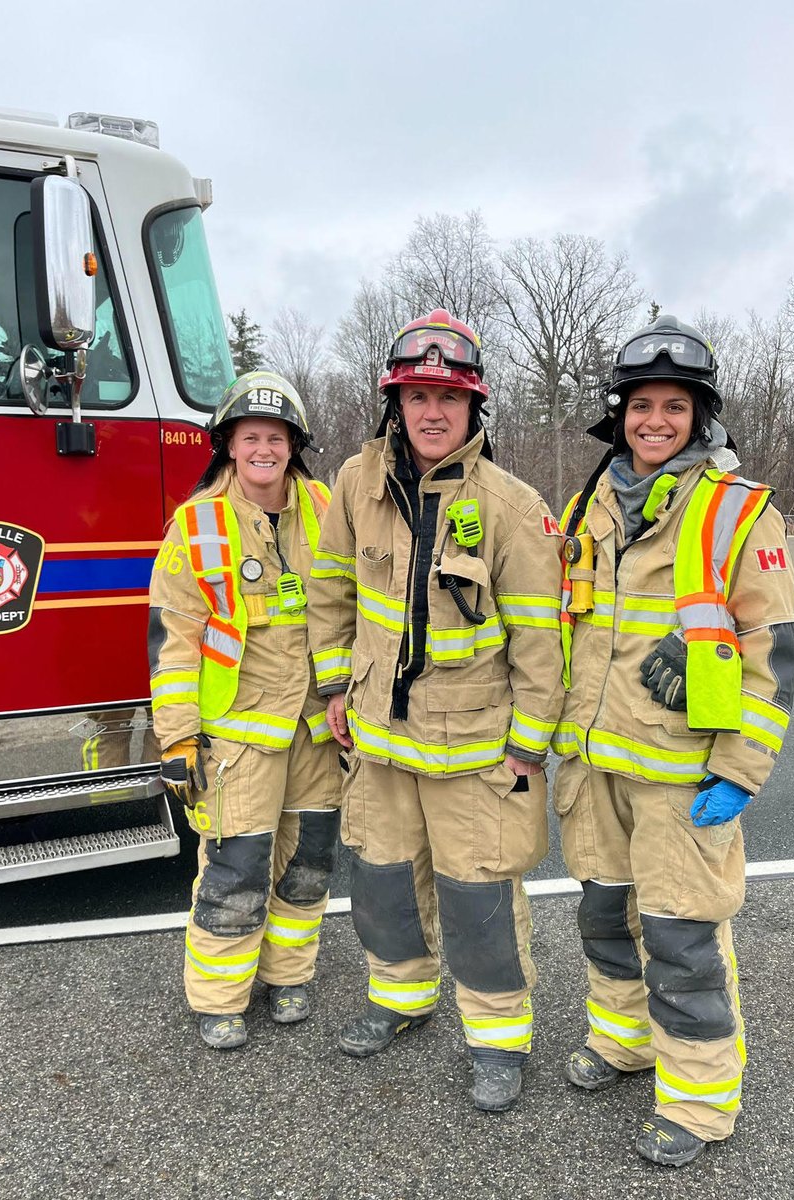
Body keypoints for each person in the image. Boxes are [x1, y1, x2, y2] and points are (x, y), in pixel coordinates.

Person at [552, 315, 794, 1166]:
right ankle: (625, 1042)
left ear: (702, 416)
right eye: (641, 405)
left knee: (684, 939)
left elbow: (772, 658)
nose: (655, 421)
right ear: (619, 412)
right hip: (595, 769)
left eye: (675, 407)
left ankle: (697, 1101)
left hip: (682, 780)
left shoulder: (738, 512)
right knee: (604, 920)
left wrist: (741, 769)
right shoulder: (588, 504)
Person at [306, 309, 564, 1112]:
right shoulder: (355, 482)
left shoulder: (512, 508)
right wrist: (333, 688)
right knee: (381, 881)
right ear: (394, 402)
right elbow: (329, 591)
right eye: (416, 394)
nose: (431, 411)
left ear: (475, 408)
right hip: (380, 743)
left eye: (447, 398)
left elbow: (539, 637)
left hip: (478, 751)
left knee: (478, 899)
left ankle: (497, 1042)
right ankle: (401, 1000)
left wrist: (527, 747)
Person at [148, 370, 342, 1049]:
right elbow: (174, 640)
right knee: (236, 866)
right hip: (237, 737)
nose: (264, 448)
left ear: (294, 446)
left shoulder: (324, 503)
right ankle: (219, 997)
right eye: (251, 437)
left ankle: (289, 974)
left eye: (277, 437)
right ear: (229, 445)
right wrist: (177, 740)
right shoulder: (196, 524)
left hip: (317, 729)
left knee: (308, 860)